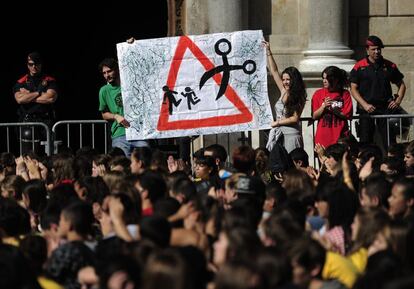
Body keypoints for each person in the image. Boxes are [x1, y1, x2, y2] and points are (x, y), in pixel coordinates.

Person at [350, 35, 406, 149]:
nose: (377, 51)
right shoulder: (359, 66)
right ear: (367, 50)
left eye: (379, 49)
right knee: (365, 143)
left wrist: (398, 101)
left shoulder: (389, 65)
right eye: (373, 49)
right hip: (366, 110)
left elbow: (402, 85)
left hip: (385, 110)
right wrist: (365, 105)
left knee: (390, 143)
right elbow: (353, 89)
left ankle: (391, 165)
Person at [98, 57, 149, 157]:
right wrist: (116, 116)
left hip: (138, 132)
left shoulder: (131, 83)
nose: (107, 75)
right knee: (121, 165)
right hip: (119, 134)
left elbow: (138, 63)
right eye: (104, 73)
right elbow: (104, 114)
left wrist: (132, 44)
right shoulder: (104, 90)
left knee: (145, 163)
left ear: (117, 69)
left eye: (109, 71)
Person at [263, 41, 307, 153]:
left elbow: (295, 118)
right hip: (279, 134)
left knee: (292, 166)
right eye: (283, 79)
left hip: (291, 135)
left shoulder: (299, 94)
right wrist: (268, 51)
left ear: (294, 80)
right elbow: (274, 71)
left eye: (288, 79)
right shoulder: (283, 90)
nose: (285, 82)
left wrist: (277, 123)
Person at [14, 52, 58, 154]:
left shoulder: (49, 80)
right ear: (27, 65)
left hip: (45, 121)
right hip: (27, 122)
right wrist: (39, 93)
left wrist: (29, 95)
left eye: (36, 64)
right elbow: (19, 99)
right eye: (30, 64)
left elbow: (50, 98)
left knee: (47, 156)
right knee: (28, 156)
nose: (33, 66)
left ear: (41, 64)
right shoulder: (21, 82)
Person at [312, 66, 353, 148]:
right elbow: (314, 116)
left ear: (336, 79)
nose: (324, 81)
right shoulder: (318, 93)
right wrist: (323, 107)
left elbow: (347, 114)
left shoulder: (345, 93)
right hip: (323, 138)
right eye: (323, 78)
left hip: (340, 137)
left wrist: (333, 109)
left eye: (327, 78)